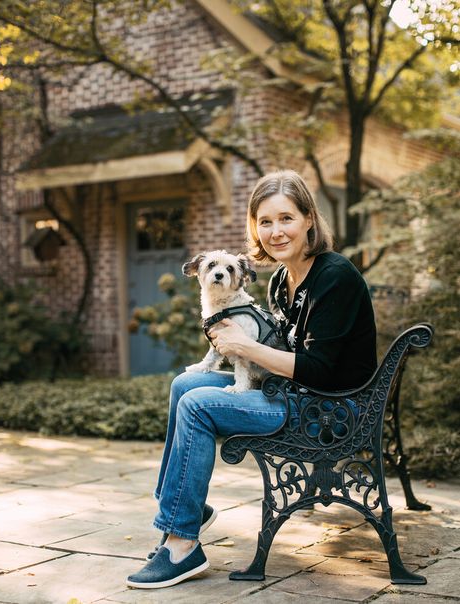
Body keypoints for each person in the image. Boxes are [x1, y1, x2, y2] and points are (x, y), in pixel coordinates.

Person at [126, 169, 377, 589]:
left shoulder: (334, 276)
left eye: (286, 218)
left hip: (329, 411)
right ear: (255, 228)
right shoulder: (282, 278)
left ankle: (181, 543)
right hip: (294, 394)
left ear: (309, 220)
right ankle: (185, 510)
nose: (275, 231)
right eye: (265, 222)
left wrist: (245, 348)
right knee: (184, 386)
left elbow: (318, 368)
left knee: (198, 404)